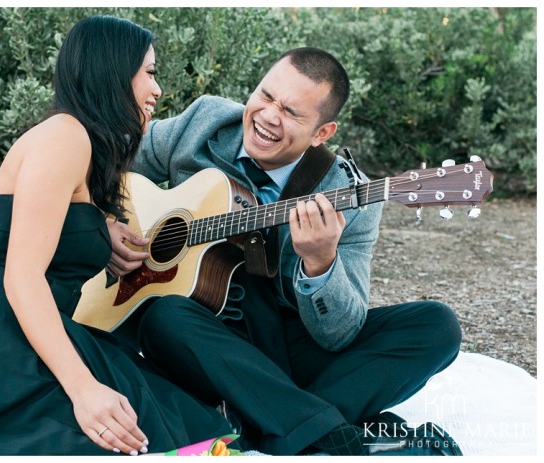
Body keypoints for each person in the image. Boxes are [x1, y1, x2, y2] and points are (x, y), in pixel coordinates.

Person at [0, 15, 234, 456]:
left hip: (38, 331)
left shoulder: (83, 145)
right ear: (112, 71)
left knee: (190, 427)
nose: (157, 90)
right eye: (150, 73)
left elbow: (47, 220)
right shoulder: (65, 137)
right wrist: (83, 390)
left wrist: (103, 232)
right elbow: (21, 277)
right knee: (111, 436)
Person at [106, 47, 463, 456]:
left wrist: (321, 263)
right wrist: (106, 220)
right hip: (202, 335)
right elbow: (104, 161)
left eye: (292, 113)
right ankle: (322, 431)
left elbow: (340, 334)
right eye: (265, 96)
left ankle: (271, 421)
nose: (268, 116)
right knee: (164, 316)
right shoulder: (204, 123)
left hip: (281, 343)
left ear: (322, 133)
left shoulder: (352, 197)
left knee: (436, 326)